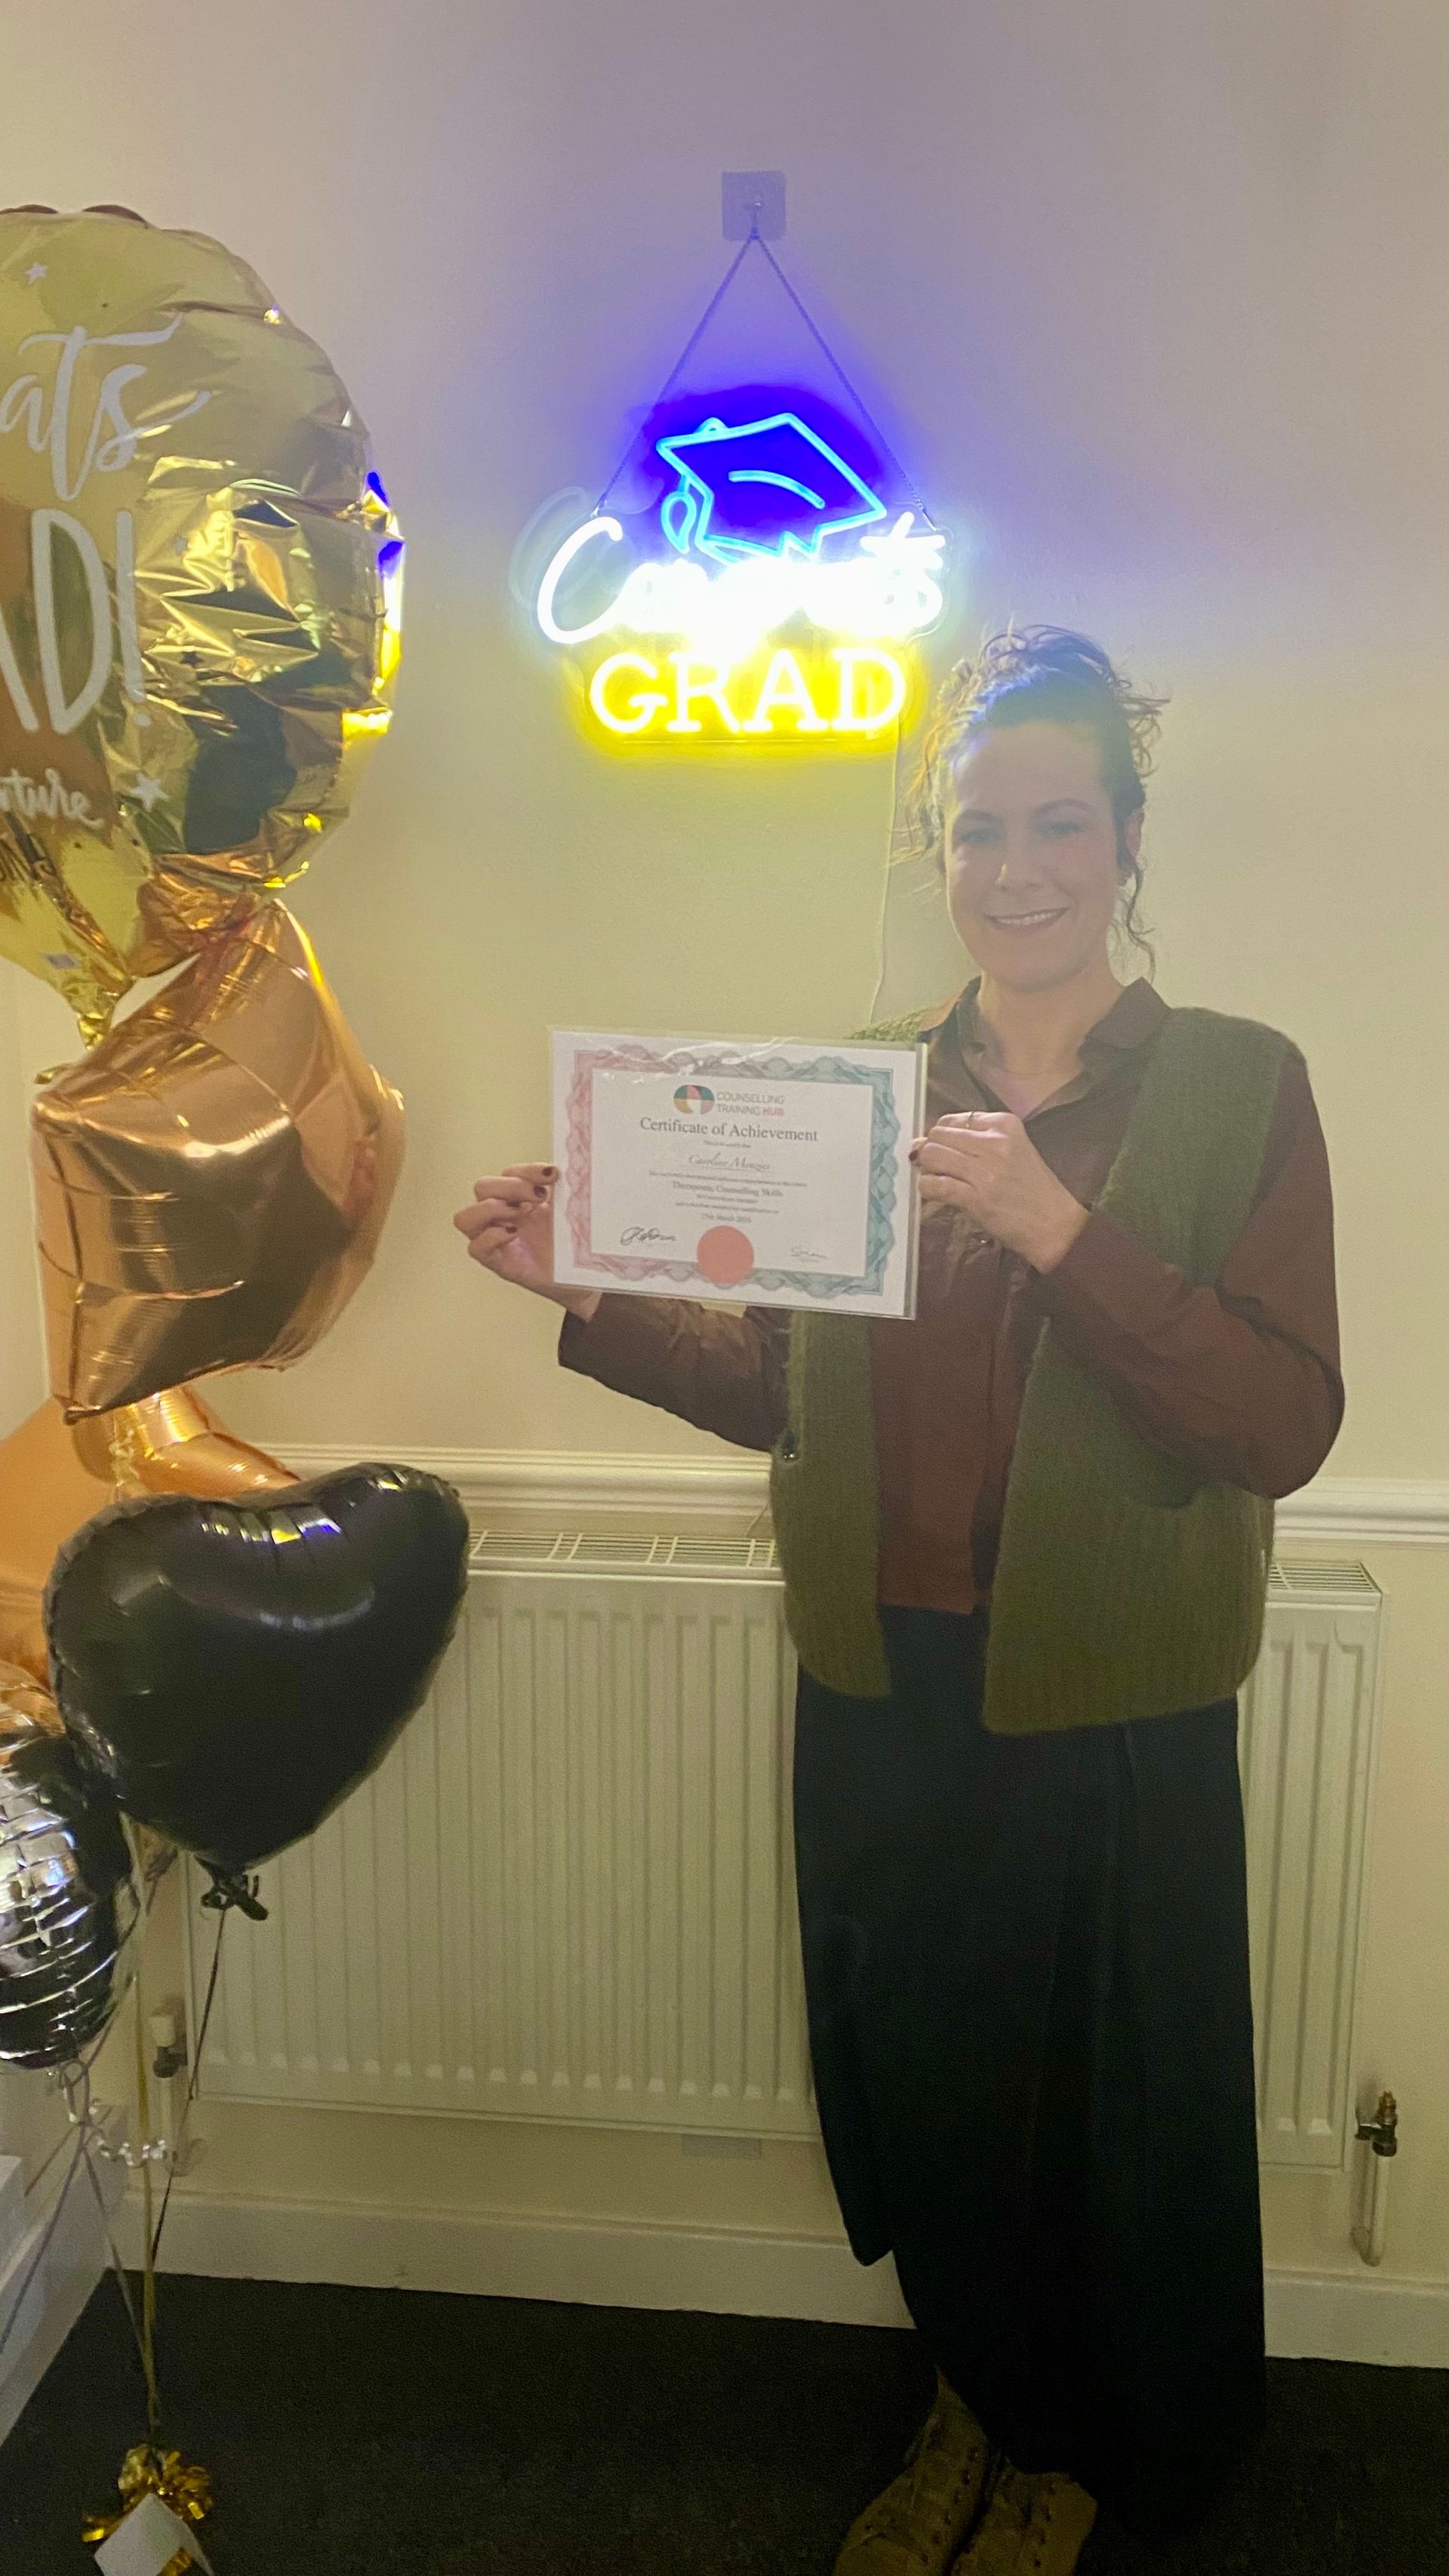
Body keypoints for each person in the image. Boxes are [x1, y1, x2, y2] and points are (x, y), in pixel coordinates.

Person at [455, 629, 1342, 2576]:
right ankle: (982, 2402)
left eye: (1057, 825)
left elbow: (1279, 1422)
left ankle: (1089, 2452)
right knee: (928, 2087)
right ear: (938, 850)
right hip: (888, 1681)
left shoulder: (1234, 1090)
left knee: (1116, 2105)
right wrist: (583, 1299)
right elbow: (795, 1394)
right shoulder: (855, 1094)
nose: (1014, 868)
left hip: (1116, 1707)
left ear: (1124, 839)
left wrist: (1061, 1234)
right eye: (974, 829)